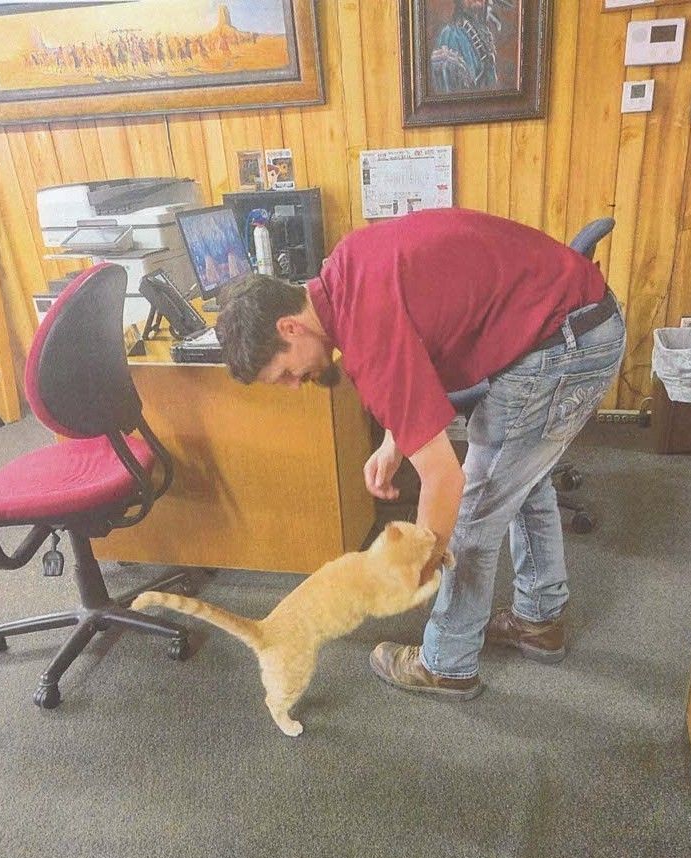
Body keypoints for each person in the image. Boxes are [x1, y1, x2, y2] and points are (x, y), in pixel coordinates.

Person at [214, 208, 626, 700]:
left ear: (290, 328)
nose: (293, 384)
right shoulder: (346, 270)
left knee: (473, 510)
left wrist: (417, 572)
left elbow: (443, 482)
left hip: (564, 344)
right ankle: (539, 619)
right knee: (521, 479)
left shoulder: (365, 338)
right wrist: (394, 442)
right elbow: (416, 351)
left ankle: (447, 663)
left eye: (283, 373)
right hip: (574, 321)